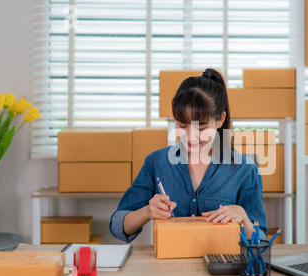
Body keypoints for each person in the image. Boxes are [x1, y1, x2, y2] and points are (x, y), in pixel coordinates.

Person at [109, 68, 267, 242]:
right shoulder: (156, 162)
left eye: (201, 127)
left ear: (220, 119)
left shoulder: (245, 169)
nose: (191, 136)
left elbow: (261, 239)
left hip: (224, 266)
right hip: (169, 266)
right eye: (182, 126)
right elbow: (118, 226)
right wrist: (147, 211)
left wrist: (243, 218)